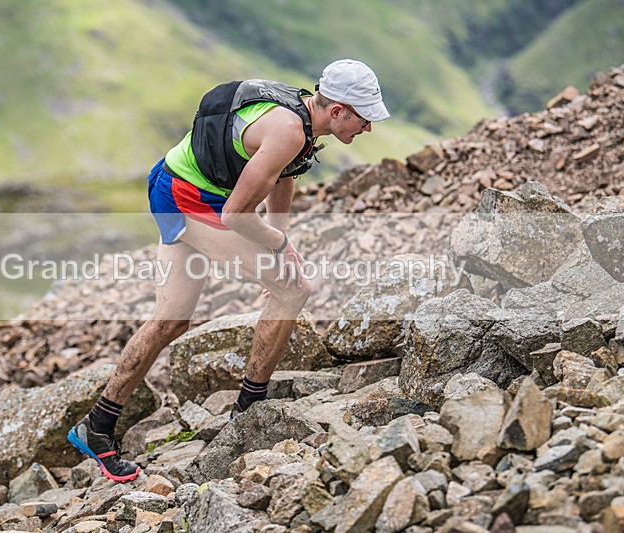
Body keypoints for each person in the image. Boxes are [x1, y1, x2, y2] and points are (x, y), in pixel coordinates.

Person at [68, 59, 390, 482]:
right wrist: (279, 246)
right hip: (189, 196)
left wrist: (276, 245)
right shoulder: (289, 130)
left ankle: (96, 426)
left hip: (175, 182)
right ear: (337, 111)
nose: (367, 129)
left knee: (171, 320)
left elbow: (282, 177)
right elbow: (238, 214)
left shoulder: (302, 117)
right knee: (295, 289)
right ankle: (247, 412)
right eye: (364, 119)